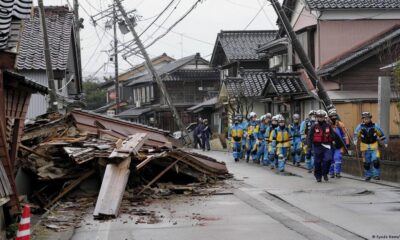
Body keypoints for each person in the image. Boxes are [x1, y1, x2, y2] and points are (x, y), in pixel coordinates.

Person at [354, 112, 388, 181]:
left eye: (367, 118)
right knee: (367, 163)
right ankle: (368, 175)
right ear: (363, 119)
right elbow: (356, 134)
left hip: (374, 146)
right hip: (364, 147)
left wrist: (385, 142)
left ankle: (376, 175)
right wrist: (355, 140)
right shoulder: (360, 127)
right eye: (365, 119)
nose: (366, 120)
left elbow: (381, 134)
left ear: (370, 118)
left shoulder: (375, 126)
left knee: (375, 161)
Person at [307, 110, 337, 182]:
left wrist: (332, 141)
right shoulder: (314, 126)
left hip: (327, 145)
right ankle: (318, 176)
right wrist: (309, 148)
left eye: (322, 117)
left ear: (324, 117)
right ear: (317, 117)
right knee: (317, 162)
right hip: (317, 146)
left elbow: (333, 135)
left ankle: (325, 173)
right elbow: (310, 137)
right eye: (319, 117)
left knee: (328, 159)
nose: (321, 118)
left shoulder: (328, 126)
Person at [328, 109, 349, 178]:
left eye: (335, 116)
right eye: (332, 116)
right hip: (329, 145)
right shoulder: (327, 124)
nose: (333, 117)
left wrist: (346, 143)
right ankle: (331, 172)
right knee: (331, 159)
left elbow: (344, 135)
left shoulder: (340, 125)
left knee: (338, 158)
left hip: (338, 145)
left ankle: (338, 172)